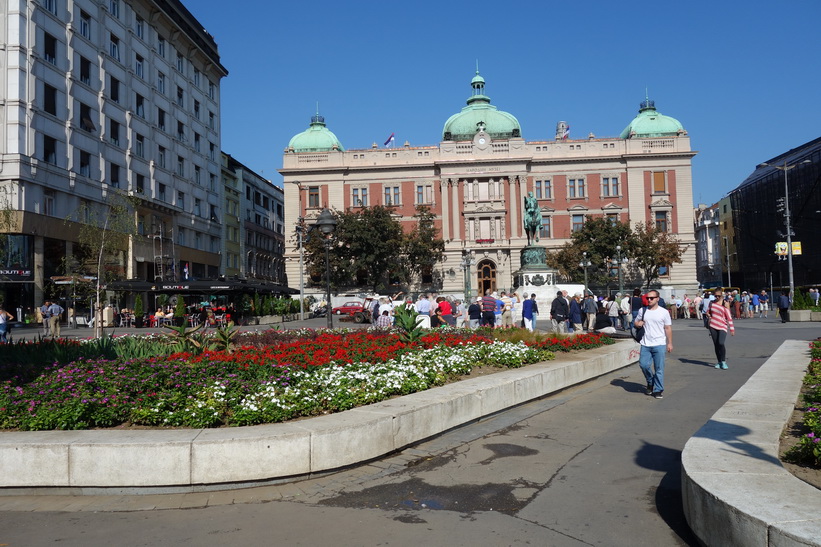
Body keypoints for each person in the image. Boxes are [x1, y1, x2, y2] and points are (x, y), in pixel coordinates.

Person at [634, 289, 673, 399]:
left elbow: (668, 328)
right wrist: (638, 324)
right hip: (645, 343)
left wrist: (670, 343)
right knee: (643, 365)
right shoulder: (643, 310)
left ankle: (658, 389)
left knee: (659, 368)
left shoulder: (664, 312)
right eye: (647, 298)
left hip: (659, 343)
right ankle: (650, 382)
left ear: (657, 299)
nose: (649, 300)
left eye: (652, 298)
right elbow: (636, 322)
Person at [706, 289, 735, 369]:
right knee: (716, 345)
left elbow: (729, 317)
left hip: (722, 326)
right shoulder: (711, 303)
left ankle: (723, 361)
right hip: (713, 325)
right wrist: (708, 314)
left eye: (719, 296)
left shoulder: (725, 303)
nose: (717, 297)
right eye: (715, 296)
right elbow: (708, 311)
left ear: (722, 295)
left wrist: (732, 329)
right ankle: (719, 361)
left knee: (721, 343)